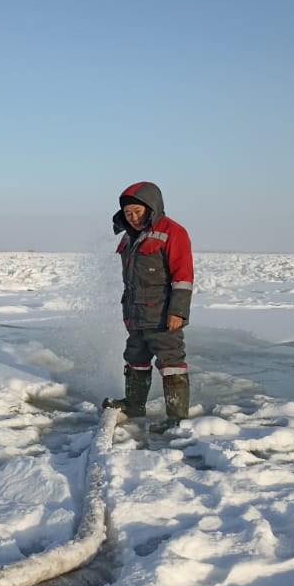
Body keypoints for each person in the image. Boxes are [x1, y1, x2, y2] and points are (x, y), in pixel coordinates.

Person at [103, 181, 194, 434]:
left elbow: (183, 276)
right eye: (128, 213)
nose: (132, 218)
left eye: (137, 212)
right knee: (135, 359)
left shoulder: (173, 232)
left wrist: (178, 311)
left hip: (163, 314)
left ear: (151, 207)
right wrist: (128, 313)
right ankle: (134, 405)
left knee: (171, 362)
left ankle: (176, 418)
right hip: (135, 313)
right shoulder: (129, 238)